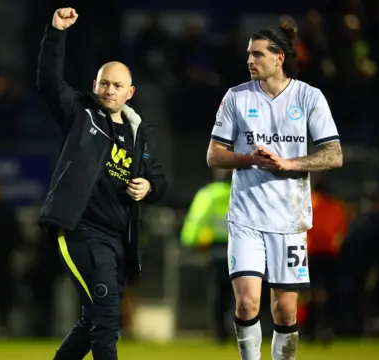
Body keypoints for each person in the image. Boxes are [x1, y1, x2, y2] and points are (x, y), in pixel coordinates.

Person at [36, 8, 167, 360]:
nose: (109, 90)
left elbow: (160, 180)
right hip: (81, 230)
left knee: (93, 320)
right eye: (104, 83)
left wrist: (149, 188)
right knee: (107, 318)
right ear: (94, 86)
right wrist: (56, 32)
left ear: (131, 92)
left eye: (117, 85)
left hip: (119, 239)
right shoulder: (80, 114)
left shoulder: (139, 134)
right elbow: (48, 81)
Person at [206, 24, 343, 360]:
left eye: (258, 54)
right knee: (248, 301)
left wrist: (289, 164)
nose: (250, 60)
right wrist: (247, 158)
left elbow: (334, 154)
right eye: (248, 53)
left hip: (290, 220)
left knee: (285, 311)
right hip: (246, 217)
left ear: (279, 58)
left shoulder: (309, 97)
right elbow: (213, 155)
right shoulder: (237, 97)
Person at [180, 169, 233, 343]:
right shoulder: (242, 192)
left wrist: (189, 241)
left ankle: (219, 331)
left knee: (218, 291)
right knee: (239, 293)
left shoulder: (208, 194)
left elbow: (197, 219)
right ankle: (239, 328)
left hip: (216, 249)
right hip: (240, 248)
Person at [302, 179, 347, 344]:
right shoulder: (335, 207)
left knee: (309, 294)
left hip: (310, 253)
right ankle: (326, 328)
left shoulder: (306, 205)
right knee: (326, 293)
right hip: (329, 253)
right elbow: (341, 232)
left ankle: (309, 331)